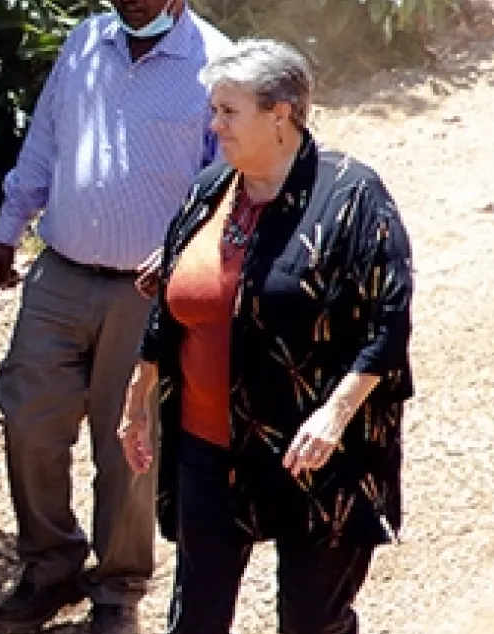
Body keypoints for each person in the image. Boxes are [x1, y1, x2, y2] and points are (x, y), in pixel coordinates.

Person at [116, 38, 416, 634]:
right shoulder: (211, 189)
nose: (214, 124)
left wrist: (334, 417)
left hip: (315, 449)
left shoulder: (351, 195)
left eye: (229, 111)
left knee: (310, 620)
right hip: (208, 444)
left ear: (280, 115)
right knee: (196, 618)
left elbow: (389, 319)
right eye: (215, 109)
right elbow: (173, 304)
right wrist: (138, 399)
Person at [0, 1, 229, 632]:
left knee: (130, 440)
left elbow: (225, 182)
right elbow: (46, 140)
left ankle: (118, 588)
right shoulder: (86, 42)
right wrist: (8, 229)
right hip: (60, 271)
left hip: (148, 289)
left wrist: (182, 254)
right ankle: (50, 566)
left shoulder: (216, 61)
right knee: (28, 418)